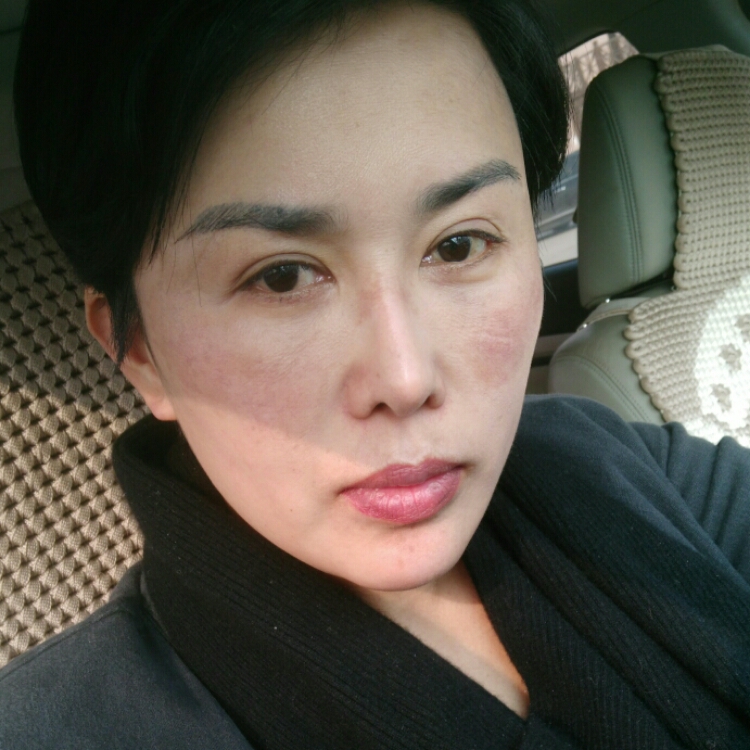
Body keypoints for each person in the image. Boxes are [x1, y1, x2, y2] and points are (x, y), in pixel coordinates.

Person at [1, 0, 749, 747]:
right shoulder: (62, 728)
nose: (404, 376)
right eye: (282, 277)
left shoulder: (621, 464)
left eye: (458, 246)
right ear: (137, 351)